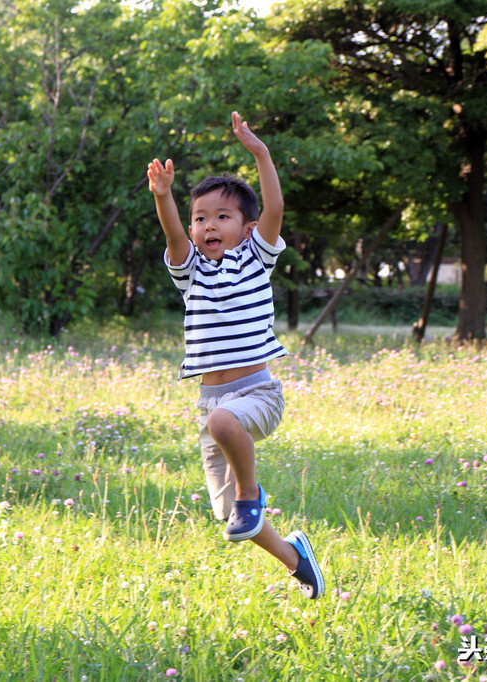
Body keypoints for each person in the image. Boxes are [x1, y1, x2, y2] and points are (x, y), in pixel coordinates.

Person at [147, 111, 324, 599]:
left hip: (257, 394)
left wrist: (260, 153)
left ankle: (251, 492)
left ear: (246, 229)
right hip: (212, 405)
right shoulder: (190, 272)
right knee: (234, 522)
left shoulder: (256, 257)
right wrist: (163, 197)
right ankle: (297, 560)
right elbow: (173, 237)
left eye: (222, 217)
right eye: (200, 217)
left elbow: (275, 207)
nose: (208, 225)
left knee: (228, 430)